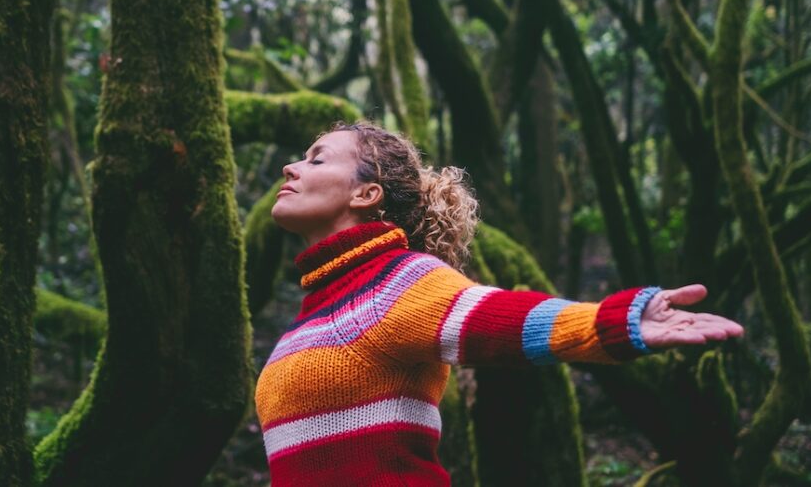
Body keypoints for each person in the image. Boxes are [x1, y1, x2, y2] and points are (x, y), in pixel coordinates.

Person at [255, 121, 744, 486]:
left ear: (367, 192)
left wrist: (614, 321)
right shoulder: (311, 317)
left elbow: (497, 318)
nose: (291, 167)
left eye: (317, 159)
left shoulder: (395, 283)